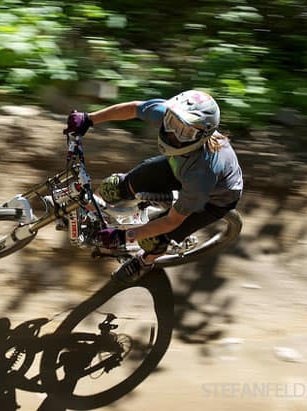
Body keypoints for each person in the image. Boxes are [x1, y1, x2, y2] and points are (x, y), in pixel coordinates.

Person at [64, 90, 243, 284]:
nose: (173, 132)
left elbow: (171, 222)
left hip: (215, 198)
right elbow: (134, 108)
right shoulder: (174, 116)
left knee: (153, 240)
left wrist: (124, 237)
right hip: (181, 168)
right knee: (114, 187)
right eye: (172, 123)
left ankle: (145, 262)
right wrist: (89, 119)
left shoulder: (203, 173)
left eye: (184, 131)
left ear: (201, 135)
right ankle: (92, 213)